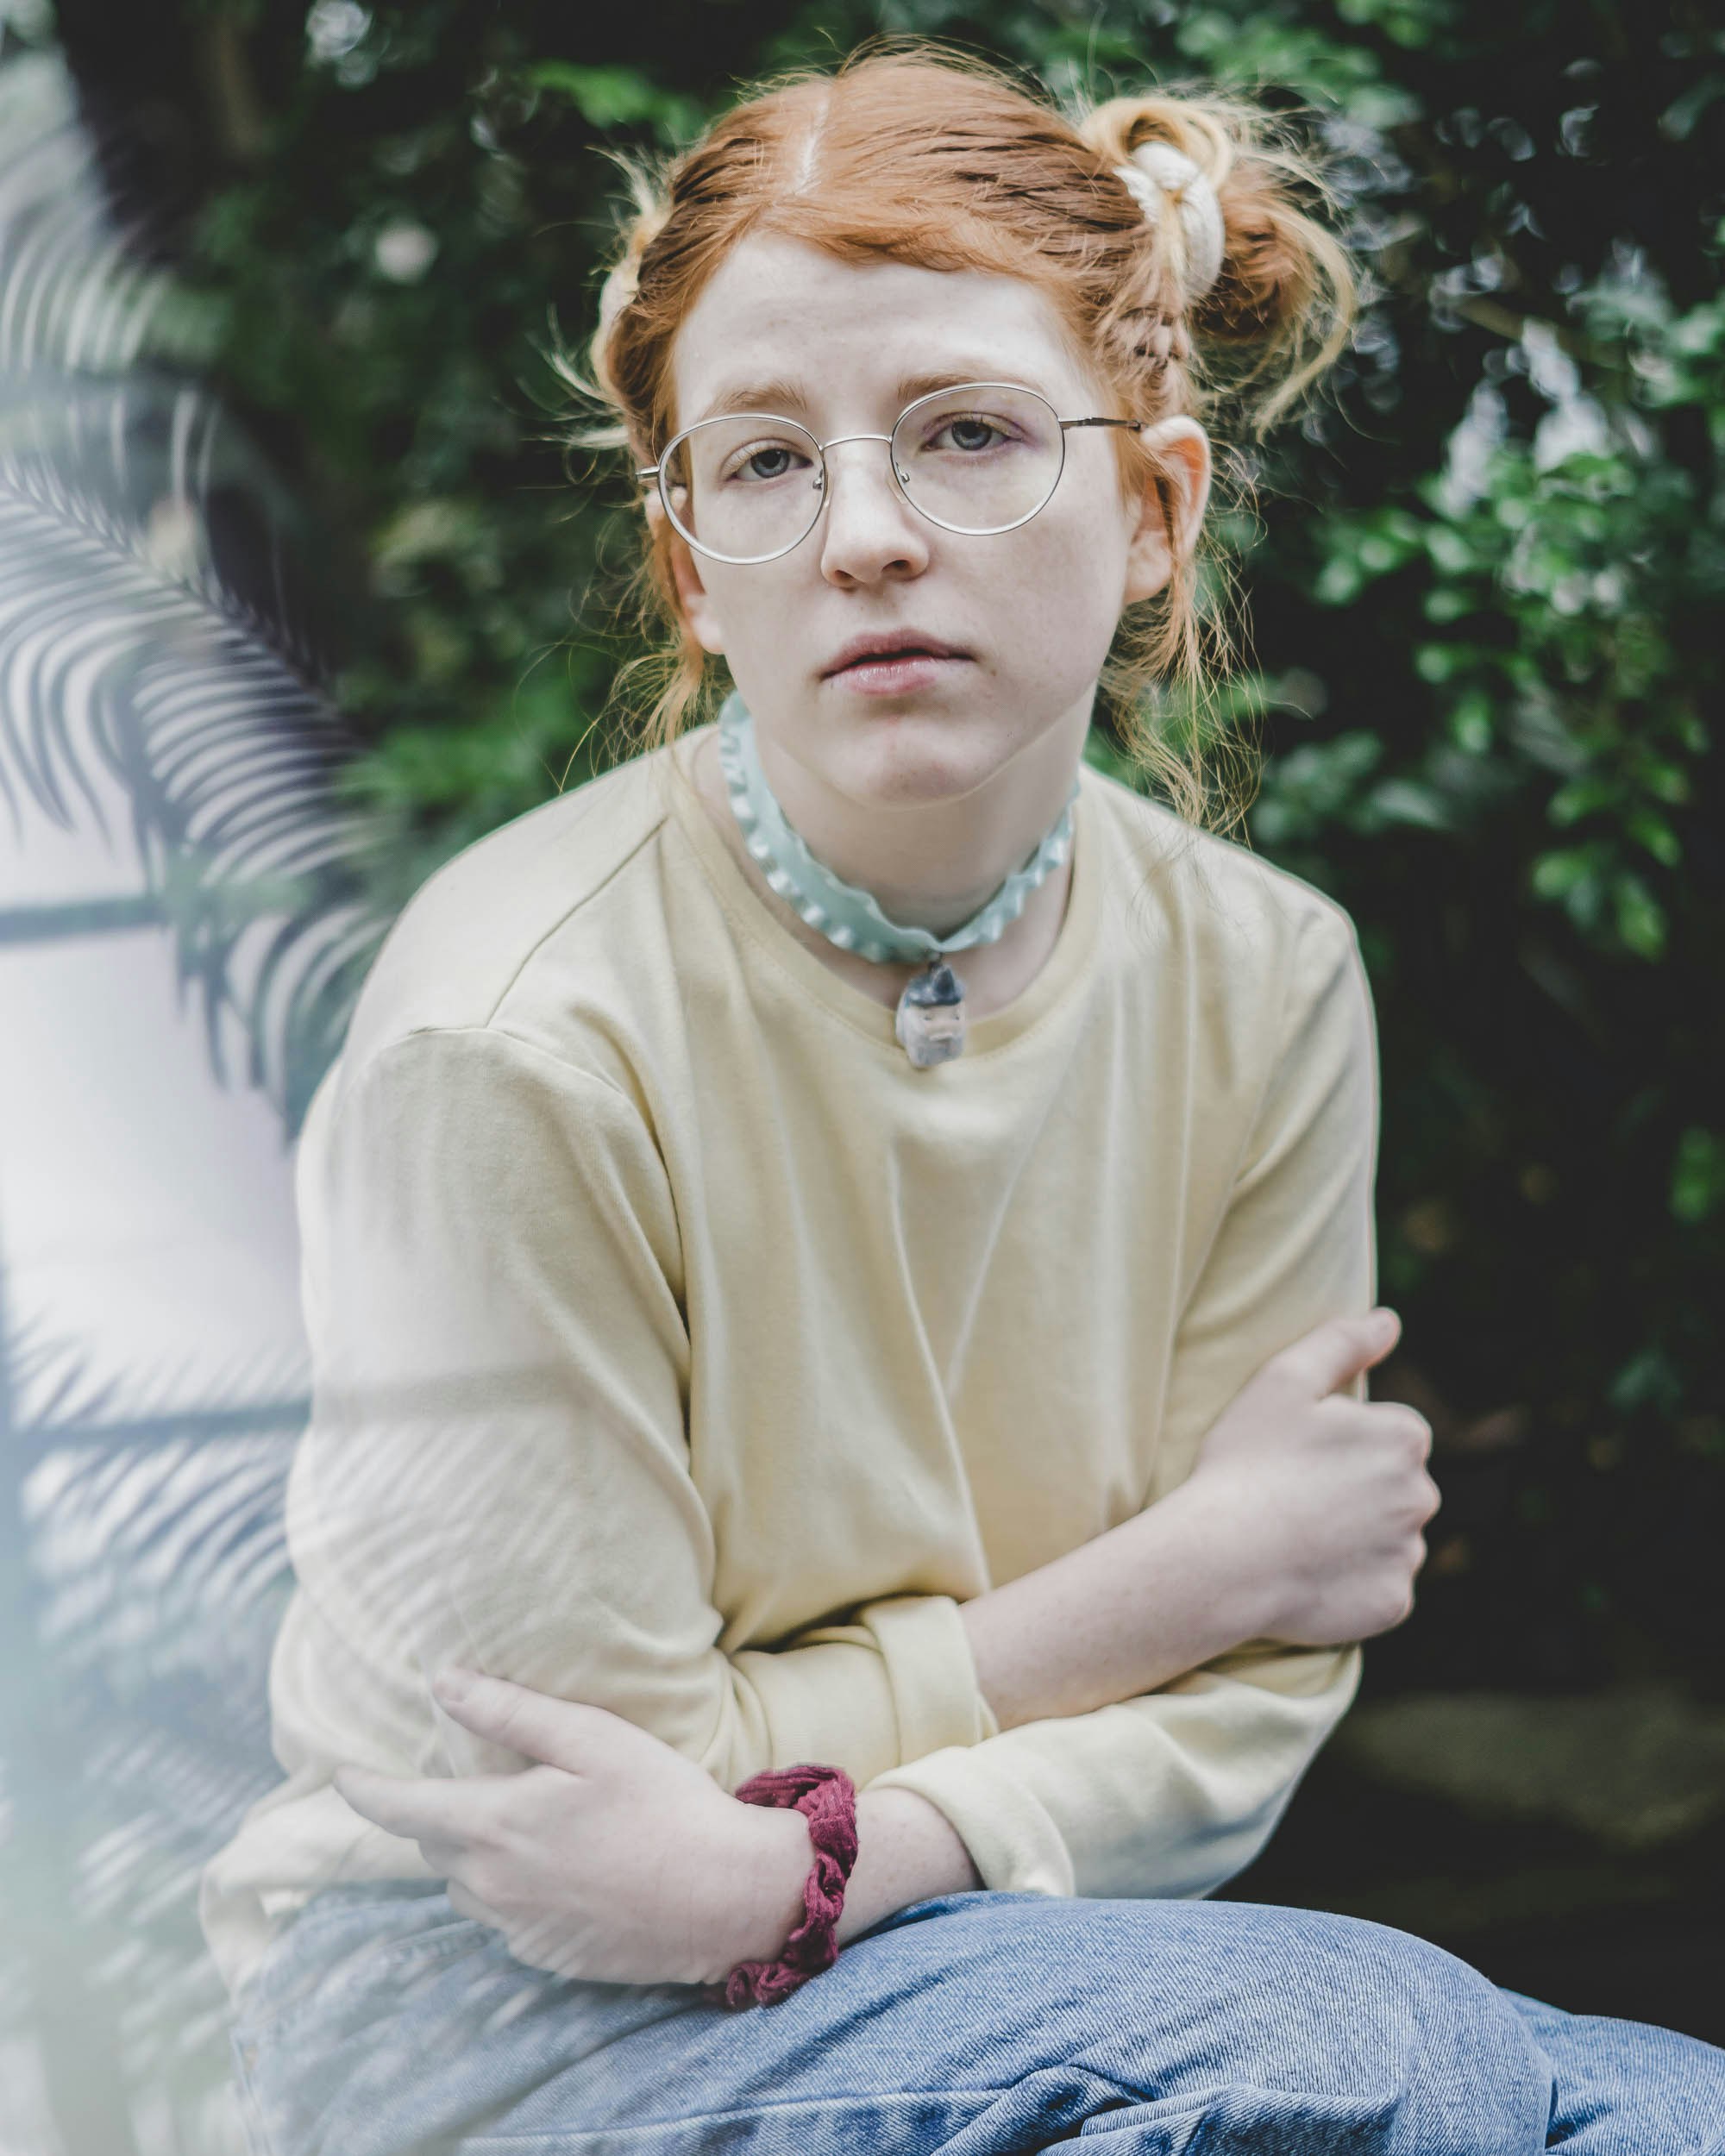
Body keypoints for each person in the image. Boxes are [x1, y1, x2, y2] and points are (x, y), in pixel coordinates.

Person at [200, 42, 1725, 2156]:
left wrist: (829, 1845)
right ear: (689, 574)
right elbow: (589, 1815)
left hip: (957, 1922)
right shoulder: (515, 1040)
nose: (868, 537)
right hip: (472, 1999)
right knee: (1365, 2048)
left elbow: (1253, 1701)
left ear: (1153, 510)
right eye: (761, 464)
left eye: (969, 435)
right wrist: (1173, 1577)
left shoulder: (1267, 976)